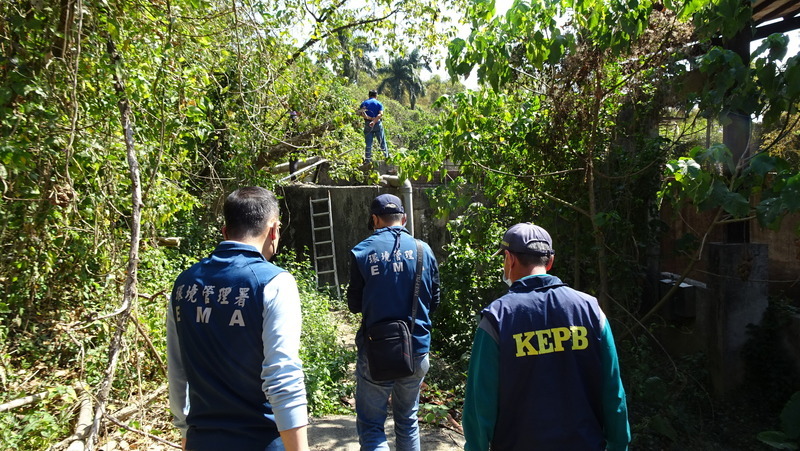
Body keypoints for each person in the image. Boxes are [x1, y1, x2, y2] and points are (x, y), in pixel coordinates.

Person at [462, 223, 630, 451]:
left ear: (509, 259)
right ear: (550, 261)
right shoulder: (591, 311)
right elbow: (613, 393)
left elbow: (480, 404)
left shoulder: (496, 319)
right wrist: (618, 445)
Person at [167, 186, 309, 451]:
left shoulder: (184, 284)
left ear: (225, 232)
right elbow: (282, 376)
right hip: (261, 441)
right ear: (274, 230)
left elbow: (177, 370)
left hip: (202, 441)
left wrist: (185, 431)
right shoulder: (275, 283)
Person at [347, 194, 440, 451]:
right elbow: (434, 300)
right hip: (416, 348)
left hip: (376, 351)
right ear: (404, 219)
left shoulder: (362, 251)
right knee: (407, 421)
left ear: (375, 219)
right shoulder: (423, 250)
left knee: (371, 425)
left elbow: (354, 305)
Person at [358, 90, 389, 164]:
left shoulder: (364, 103)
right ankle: (387, 159)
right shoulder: (378, 103)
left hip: (368, 124)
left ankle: (368, 160)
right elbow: (380, 114)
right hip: (377, 124)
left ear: (369, 95)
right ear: (376, 95)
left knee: (368, 143)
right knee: (382, 142)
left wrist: (369, 118)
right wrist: (374, 121)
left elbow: (361, 113)